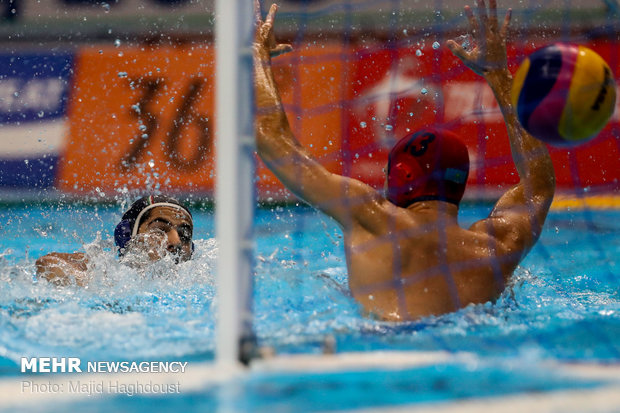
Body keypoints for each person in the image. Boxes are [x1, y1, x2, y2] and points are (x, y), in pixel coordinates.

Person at [254, 1, 555, 321]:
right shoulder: (496, 247)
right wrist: (498, 75)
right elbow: (539, 182)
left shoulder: (370, 217)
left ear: (402, 175)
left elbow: (270, 139)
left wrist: (255, 56)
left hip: (385, 348)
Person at [35, 195, 194, 286]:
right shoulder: (102, 271)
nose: (176, 242)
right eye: (160, 229)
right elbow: (48, 264)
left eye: (185, 235)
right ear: (127, 235)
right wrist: (101, 285)